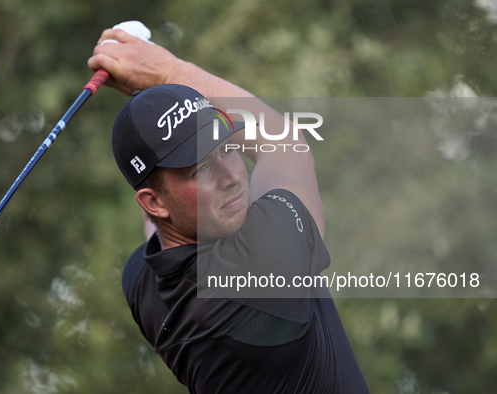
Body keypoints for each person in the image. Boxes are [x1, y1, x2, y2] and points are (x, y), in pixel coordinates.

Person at [88, 27, 369, 393]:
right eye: (200, 168)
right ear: (152, 202)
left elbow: (158, 228)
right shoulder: (258, 267)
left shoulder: (140, 279)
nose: (232, 176)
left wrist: (155, 104)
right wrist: (168, 73)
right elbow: (284, 143)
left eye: (226, 147)